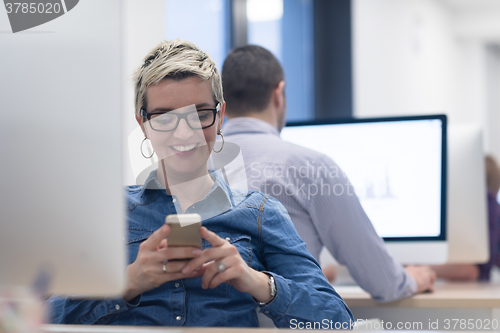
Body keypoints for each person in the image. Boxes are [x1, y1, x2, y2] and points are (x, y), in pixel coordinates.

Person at [46, 39, 353, 328]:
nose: (184, 134)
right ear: (143, 125)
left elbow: (337, 322)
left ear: (220, 116)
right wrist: (129, 281)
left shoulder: (260, 212)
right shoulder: (110, 212)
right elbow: (36, 316)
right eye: (164, 118)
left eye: (199, 114)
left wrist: (258, 282)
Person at [221, 44, 436, 302]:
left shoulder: (189, 170)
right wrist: (412, 279)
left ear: (222, 104)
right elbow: (384, 283)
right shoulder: (313, 166)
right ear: (278, 94)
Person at [432, 155, 500, 281]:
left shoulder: (485, 203)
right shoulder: (492, 207)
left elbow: (470, 270)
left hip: (470, 287)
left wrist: (412, 266)